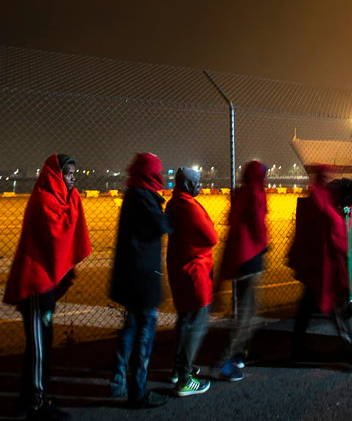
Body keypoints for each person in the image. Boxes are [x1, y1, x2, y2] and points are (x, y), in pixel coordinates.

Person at [3, 154, 90, 420]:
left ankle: (28, 397)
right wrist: (73, 199)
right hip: (35, 285)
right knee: (39, 347)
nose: (72, 179)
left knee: (41, 344)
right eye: (68, 174)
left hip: (45, 286)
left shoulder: (60, 199)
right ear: (55, 175)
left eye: (74, 174)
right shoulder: (43, 200)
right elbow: (58, 235)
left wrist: (72, 195)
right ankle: (36, 404)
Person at [288, 166, 352, 364]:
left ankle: (299, 349)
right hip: (322, 266)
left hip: (317, 266)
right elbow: (326, 232)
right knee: (328, 307)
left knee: (312, 308)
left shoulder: (317, 198)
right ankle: (349, 349)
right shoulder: (320, 201)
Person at [109, 153, 170, 409]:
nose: (161, 175)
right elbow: (161, 225)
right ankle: (139, 391)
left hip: (130, 276)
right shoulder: (144, 197)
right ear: (150, 173)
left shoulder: (134, 193)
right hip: (142, 278)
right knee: (144, 331)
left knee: (130, 328)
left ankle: (118, 382)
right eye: (158, 171)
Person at [165, 167, 217, 397]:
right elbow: (211, 237)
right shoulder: (187, 206)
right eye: (196, 183)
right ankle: (185, 379)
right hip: (194, 271)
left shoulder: (175, 202)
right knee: (195, 323)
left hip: (181, 269)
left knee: (185, 321)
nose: (200, 186)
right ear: (187, 185)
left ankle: (178, 369)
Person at [215, 160, 268, 381]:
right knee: (246, 314)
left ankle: (239, 354)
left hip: (238, 255)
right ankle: (223, 363)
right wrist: (264, 244)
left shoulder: (239, 193)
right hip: (250, 257)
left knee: (248, 310)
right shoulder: (256, 193)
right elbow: (258, 225)